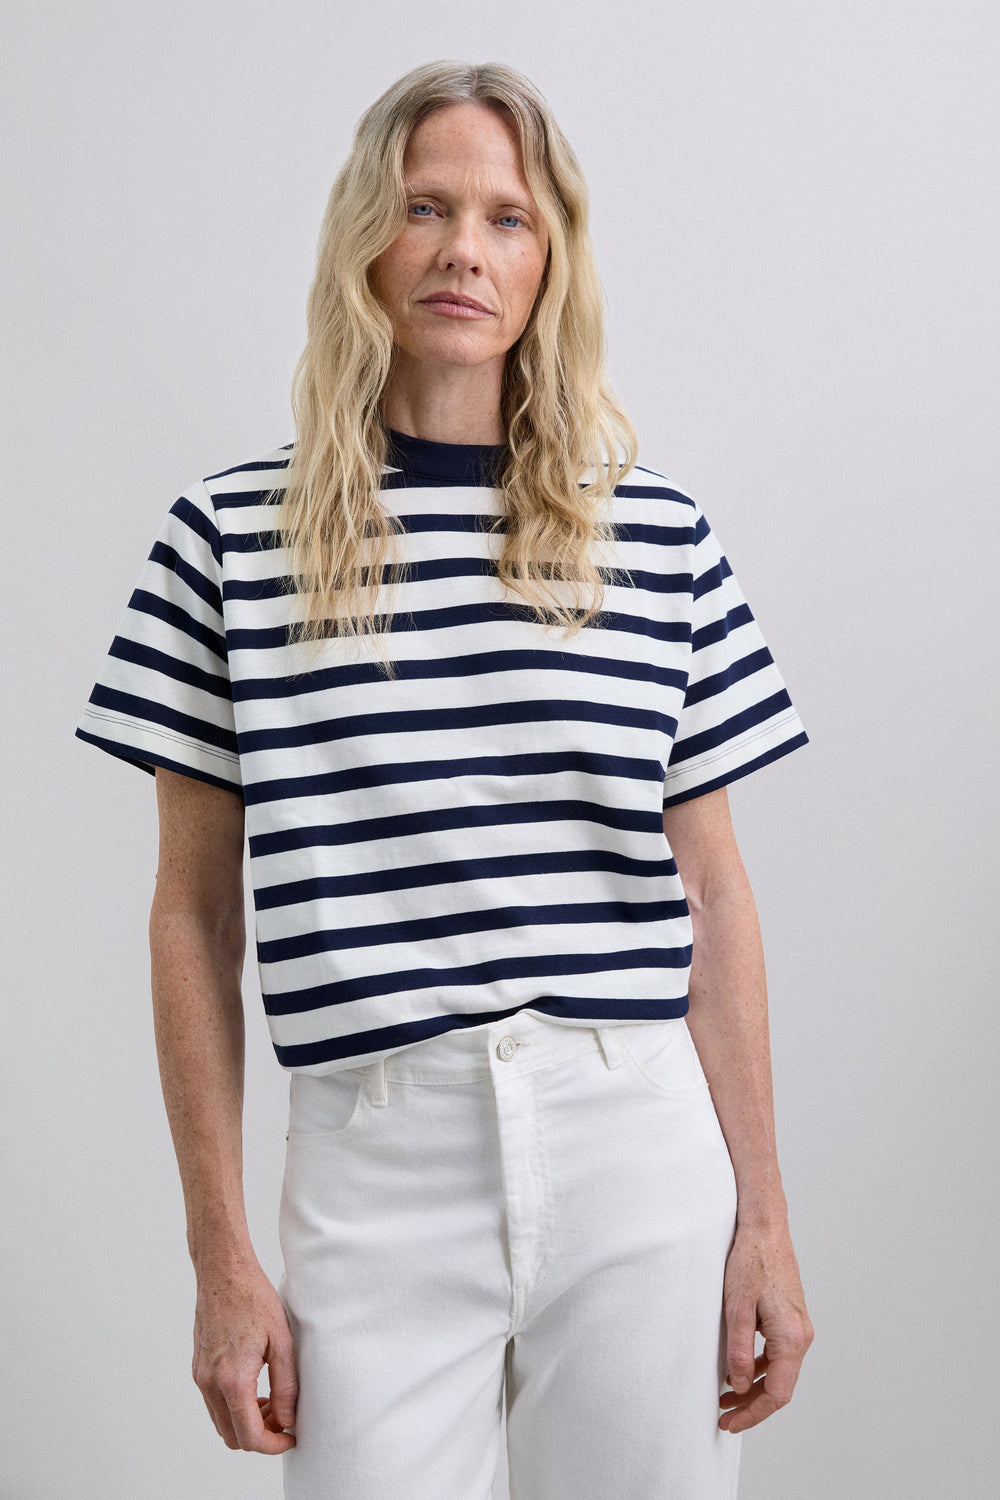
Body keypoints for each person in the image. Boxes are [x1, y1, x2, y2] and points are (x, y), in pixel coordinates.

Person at [76, 59, 813, 1500]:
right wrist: (220, 1254)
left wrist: (767, 1222)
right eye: (425, 207)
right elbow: (192, 919)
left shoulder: (655, 537)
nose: (465, 249)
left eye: (506, 218)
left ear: (550, 264)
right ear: (366, 236)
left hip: (635, 1143)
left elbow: (715, 896)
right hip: (374, 1153)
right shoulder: (227, 540)